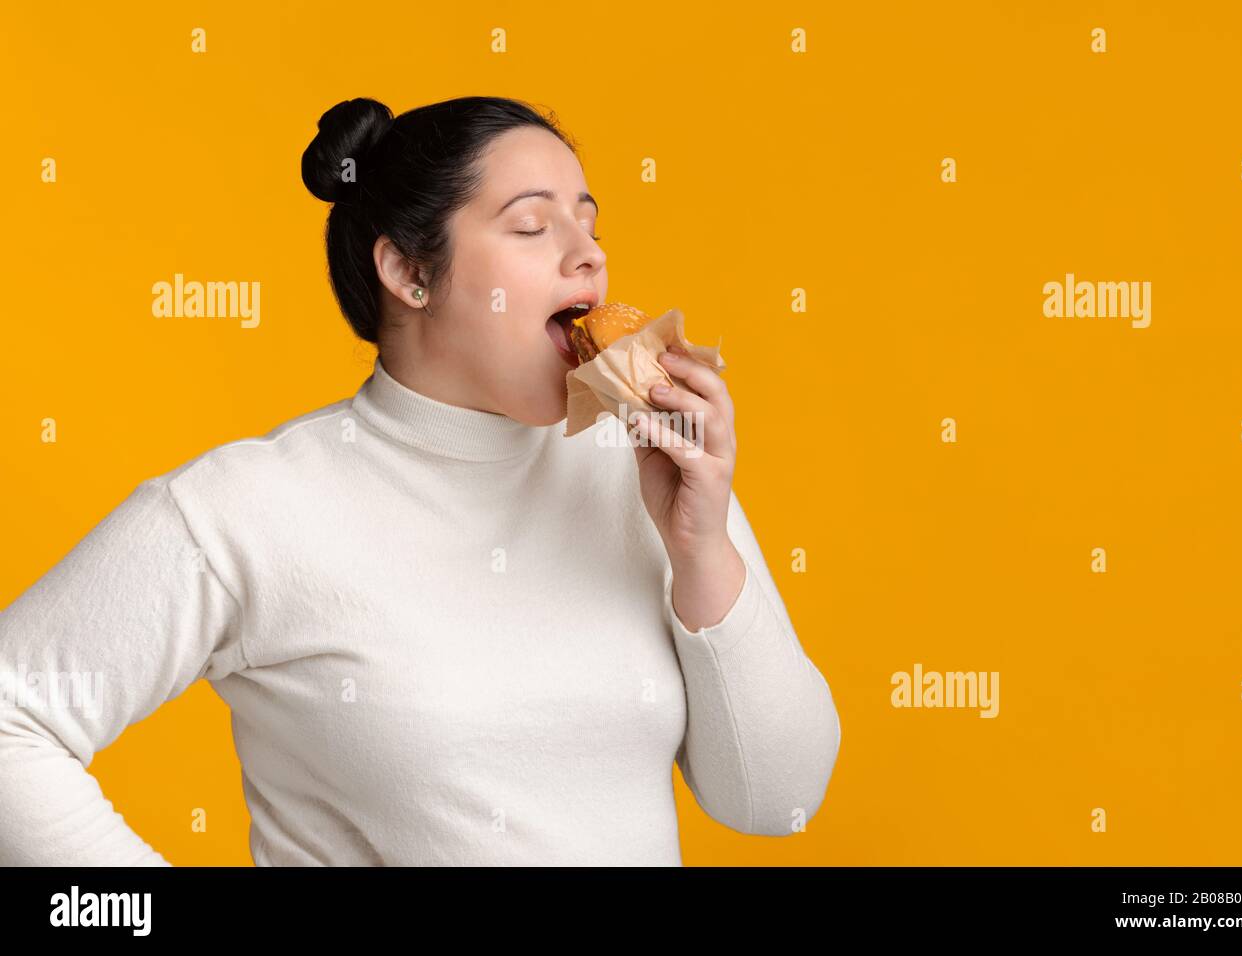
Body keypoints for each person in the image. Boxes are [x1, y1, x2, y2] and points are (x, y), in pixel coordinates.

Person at [0, 95, 841, 865]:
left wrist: (702, 548)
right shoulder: (249, 510)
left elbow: (778, 802)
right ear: (410, 273)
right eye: (531, 226)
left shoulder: (645, 473)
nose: (589, 257)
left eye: (590, 225)